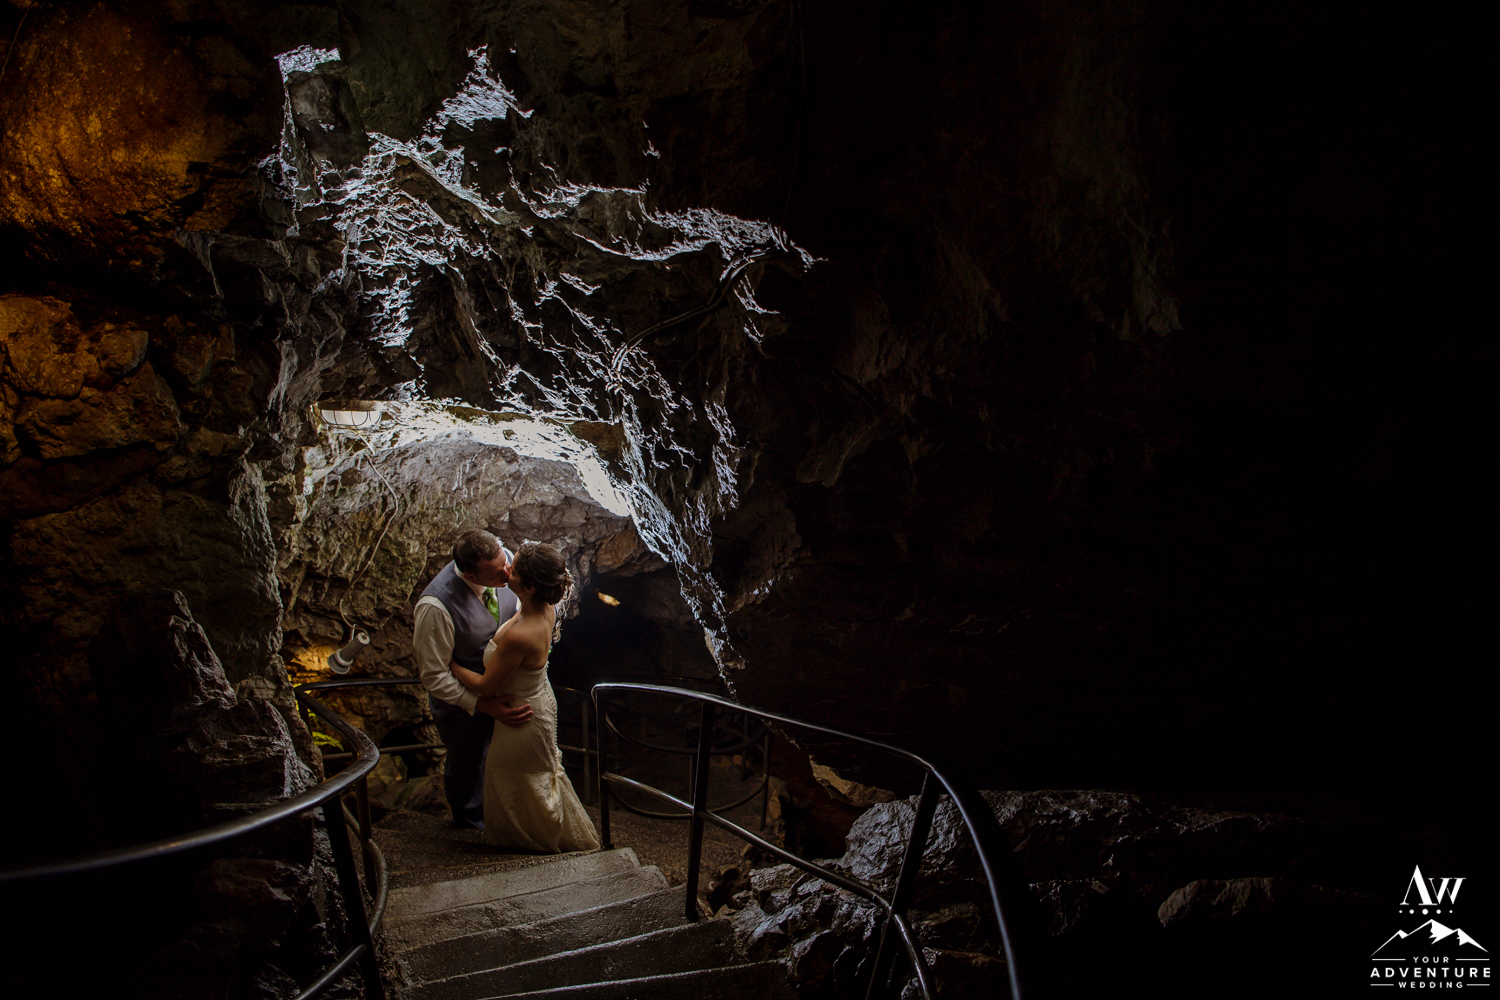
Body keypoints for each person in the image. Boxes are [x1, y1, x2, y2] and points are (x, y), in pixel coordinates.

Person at [450, 542, 601, 853]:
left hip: (522, 718)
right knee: (538, 777)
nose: (507, 570)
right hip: (538, 698)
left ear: (531, 586)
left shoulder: (520, 635)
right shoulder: (543, 606)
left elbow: (486, 687)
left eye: (513, 570)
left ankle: (530, 845)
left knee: (517, 781)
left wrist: (450, 665)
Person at [413, 529, 534, 830]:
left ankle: (504, 820)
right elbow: (434, 675)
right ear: (469, 576)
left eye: (505, 563)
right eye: (495, 575)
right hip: (461, 710)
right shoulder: (435, 607)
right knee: (468, 765)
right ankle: (470, 829)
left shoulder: (505, 564)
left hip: (505, 693)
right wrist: (481, 704)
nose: (508, 576)